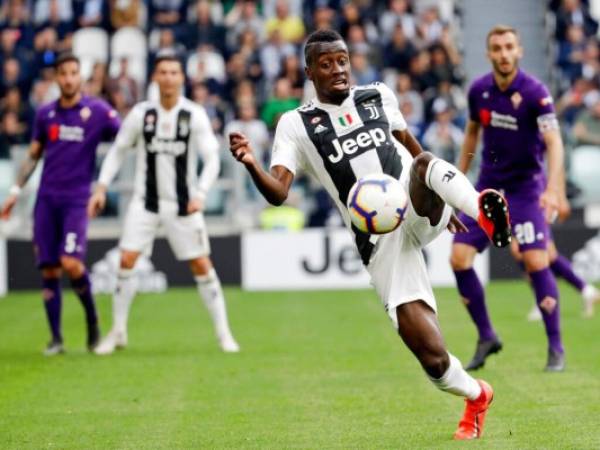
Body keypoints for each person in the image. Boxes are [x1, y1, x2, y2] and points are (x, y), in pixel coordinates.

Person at [228, 29, 512, 441]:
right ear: (310, 72)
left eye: (342, 60)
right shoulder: (295, 124)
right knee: (431, 359)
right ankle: (476, 394)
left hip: (413, 206)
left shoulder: (377, 94)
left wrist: (444, 197)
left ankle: (483, 216)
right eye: (326, 64)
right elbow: (279, 192)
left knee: (424, 163)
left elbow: (411, 146)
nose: (338, 69)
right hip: (379, 242)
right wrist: (252, 163)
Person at [88, 50, 239, 355]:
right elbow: (117, 150)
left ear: (181, 78)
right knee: (126, 260)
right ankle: (118, 332)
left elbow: (212, 159)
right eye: (163, 72)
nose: (168, 78)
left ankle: (224, 334)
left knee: (201, 264)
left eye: (174, 72)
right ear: (155, 77)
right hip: (146, 203)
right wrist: (101, 187)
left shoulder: (194, 114)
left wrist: (201, 195)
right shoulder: (142, 114)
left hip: (184, 205)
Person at [450, 25, 567, 372]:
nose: (503, 53)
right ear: (488, 54)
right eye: (497, 48)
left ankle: (556, 347)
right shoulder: (479, 91)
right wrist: (456, 179)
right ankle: (487, 335)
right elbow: (472, 132)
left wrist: (554, 187)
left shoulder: (536, 93)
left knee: (535, 261)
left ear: (519, 51)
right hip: (488, 188)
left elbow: (555, 142)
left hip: (526, 190)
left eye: (509, 47)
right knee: (459, 258)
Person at [0, 53, 121, 355]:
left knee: (71, 263)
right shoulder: (46, 114)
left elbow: (125, 138)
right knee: (50, 271)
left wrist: (104, 184)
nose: (68, 78)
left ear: (80, 76)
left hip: (77, 200)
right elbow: (33, 154)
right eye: (63, 74)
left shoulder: (97, 111)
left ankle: (92, 321)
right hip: (46, 200)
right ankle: (56, 339)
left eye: (73, 73)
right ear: (57, 78)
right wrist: (15, 190)